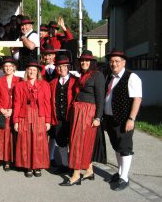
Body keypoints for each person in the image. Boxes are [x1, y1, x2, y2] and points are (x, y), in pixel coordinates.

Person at [60, 50, 105, 186]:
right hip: (79, 111)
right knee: (83, 142)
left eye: (87, 60)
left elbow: (100, 99)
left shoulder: (97, 75)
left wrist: (98, 117)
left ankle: (75, 175)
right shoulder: (82, 75)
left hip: (88, 112)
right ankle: (89, 170)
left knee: (78, 142)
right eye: (82, 60)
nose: (84, 62)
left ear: (92, 62)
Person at [103, 50, 142, 191]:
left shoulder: (132, 77)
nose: (114, 64)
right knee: (117, 147)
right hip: (110, 119)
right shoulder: (109, 76)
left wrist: (131, 119)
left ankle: (124, 178)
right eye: (112, 61)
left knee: (125, 148)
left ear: (124, 62)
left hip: (124, 119)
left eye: (117, 61)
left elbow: (137, 99)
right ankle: (119, 173)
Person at [13, 60, 51, 178]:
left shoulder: (44, 84)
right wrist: (16, 121)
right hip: (25, 114)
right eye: (29, 69)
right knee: (26, 141)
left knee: (39, 141)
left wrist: (48, 120)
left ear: (38, 72)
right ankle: (28, 166)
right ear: (26, 71)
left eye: (34, 70)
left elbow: (47, 103)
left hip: (39, 115)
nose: (31, 72)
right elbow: (17, 103)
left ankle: (38, 166)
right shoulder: (20, 86)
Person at [49, 55, 77, 172]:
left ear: (68, 67)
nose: (60, 69)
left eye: (63, 66)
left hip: (71, 116)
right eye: (58, 67)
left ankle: (74, 165)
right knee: (61, 141)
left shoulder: (75, 80)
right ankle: (64, 165)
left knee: (73, 141)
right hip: (58, 117)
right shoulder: (53, 82)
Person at [0, 58, 21, 171]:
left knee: (16, 136)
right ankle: (6, 160)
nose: (8, 68)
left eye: (10, 66)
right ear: (3, 68)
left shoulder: (20, 80)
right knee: (4, 137)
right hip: (3, 113)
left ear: (14, 68)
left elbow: (22, 98)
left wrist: (13, 110)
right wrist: (1, 109)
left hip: (16, 113)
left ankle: (17, 159)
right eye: (6, 66)